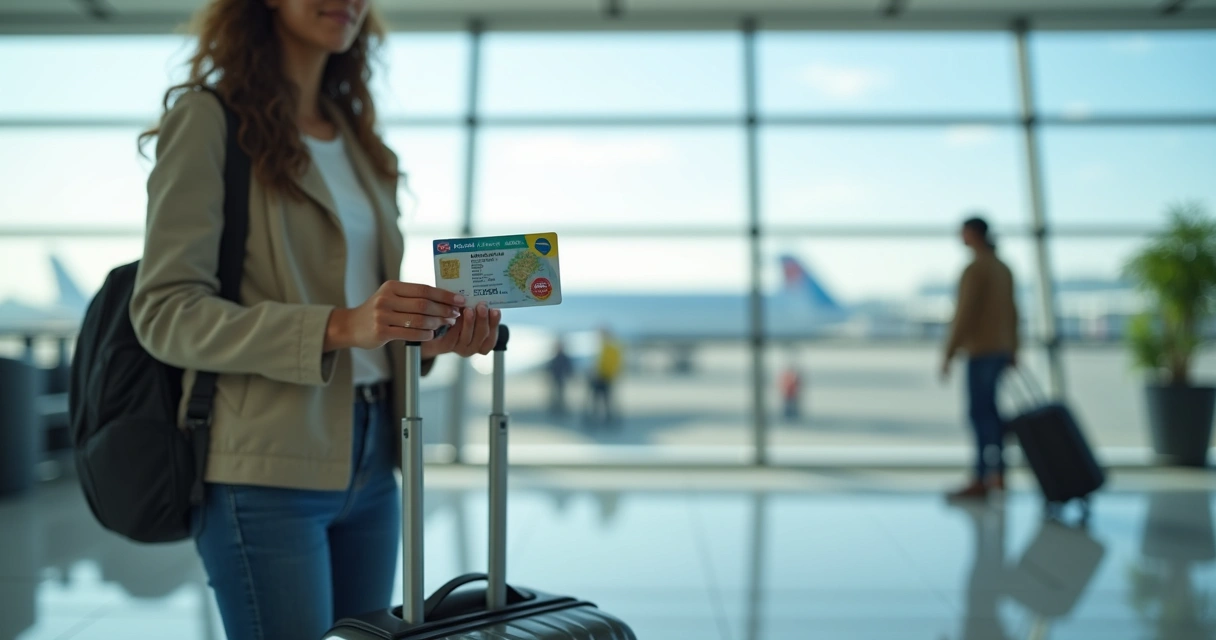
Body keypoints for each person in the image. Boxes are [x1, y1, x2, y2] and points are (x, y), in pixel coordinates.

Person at [128, 2, 502, 638]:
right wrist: (339, 326)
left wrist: (434, 340)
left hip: (376, 456)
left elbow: (370, 327)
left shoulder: (359, 142)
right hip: (265, 462)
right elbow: (165, 311)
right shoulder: (208, 120)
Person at [941, 217, 1019, 501]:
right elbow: (1013, 312)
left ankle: (980, 477)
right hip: (1000, 349)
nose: (959, 237)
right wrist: (1014, 348)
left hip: (981, 351)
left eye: (963, 232)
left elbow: (964, 314)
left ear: (974, 234)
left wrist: (949, 352)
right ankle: (998, 475)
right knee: (992, 415)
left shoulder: (975, 269)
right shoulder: (1003, 268)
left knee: (979, 415)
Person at [587, 328, 623, 427]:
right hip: (600, 378)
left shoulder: (611, 348)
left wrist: (605, 374)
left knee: (605, 401)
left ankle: (608, 419)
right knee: (598, 400)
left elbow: (612, 364)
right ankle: (599, 419)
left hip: (605, 378)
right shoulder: (602, 347)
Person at [546, 338, 574, 417]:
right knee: (554, 394)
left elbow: (568, 367)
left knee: (560, 394)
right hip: (555, 377)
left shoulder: (563, 357)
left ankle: (560, 409)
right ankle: (555, 409)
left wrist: (569, 375)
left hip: (561, 378)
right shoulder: (555, 357)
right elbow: (550, 367)